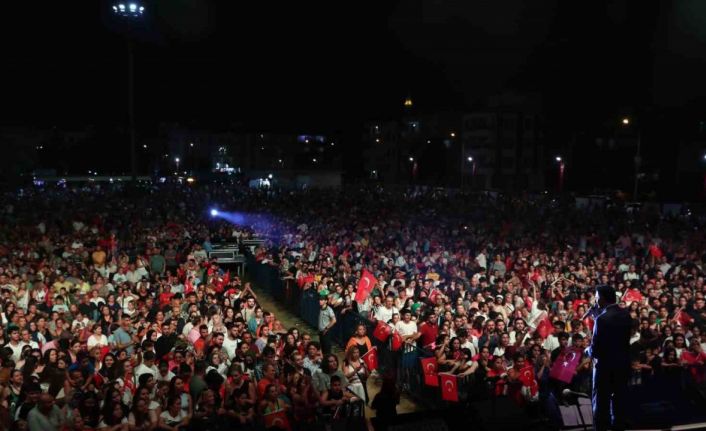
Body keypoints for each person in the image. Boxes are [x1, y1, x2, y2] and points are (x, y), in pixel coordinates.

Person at [585, 285, 632, 431]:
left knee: (601, 403)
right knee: (619, 402)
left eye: (596, 297)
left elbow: (595, 350)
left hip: (604, 368)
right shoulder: (626, 314)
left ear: (603, 298)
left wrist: (587, 350)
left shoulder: (602, 320)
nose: (595, 300)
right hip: (622, 365)